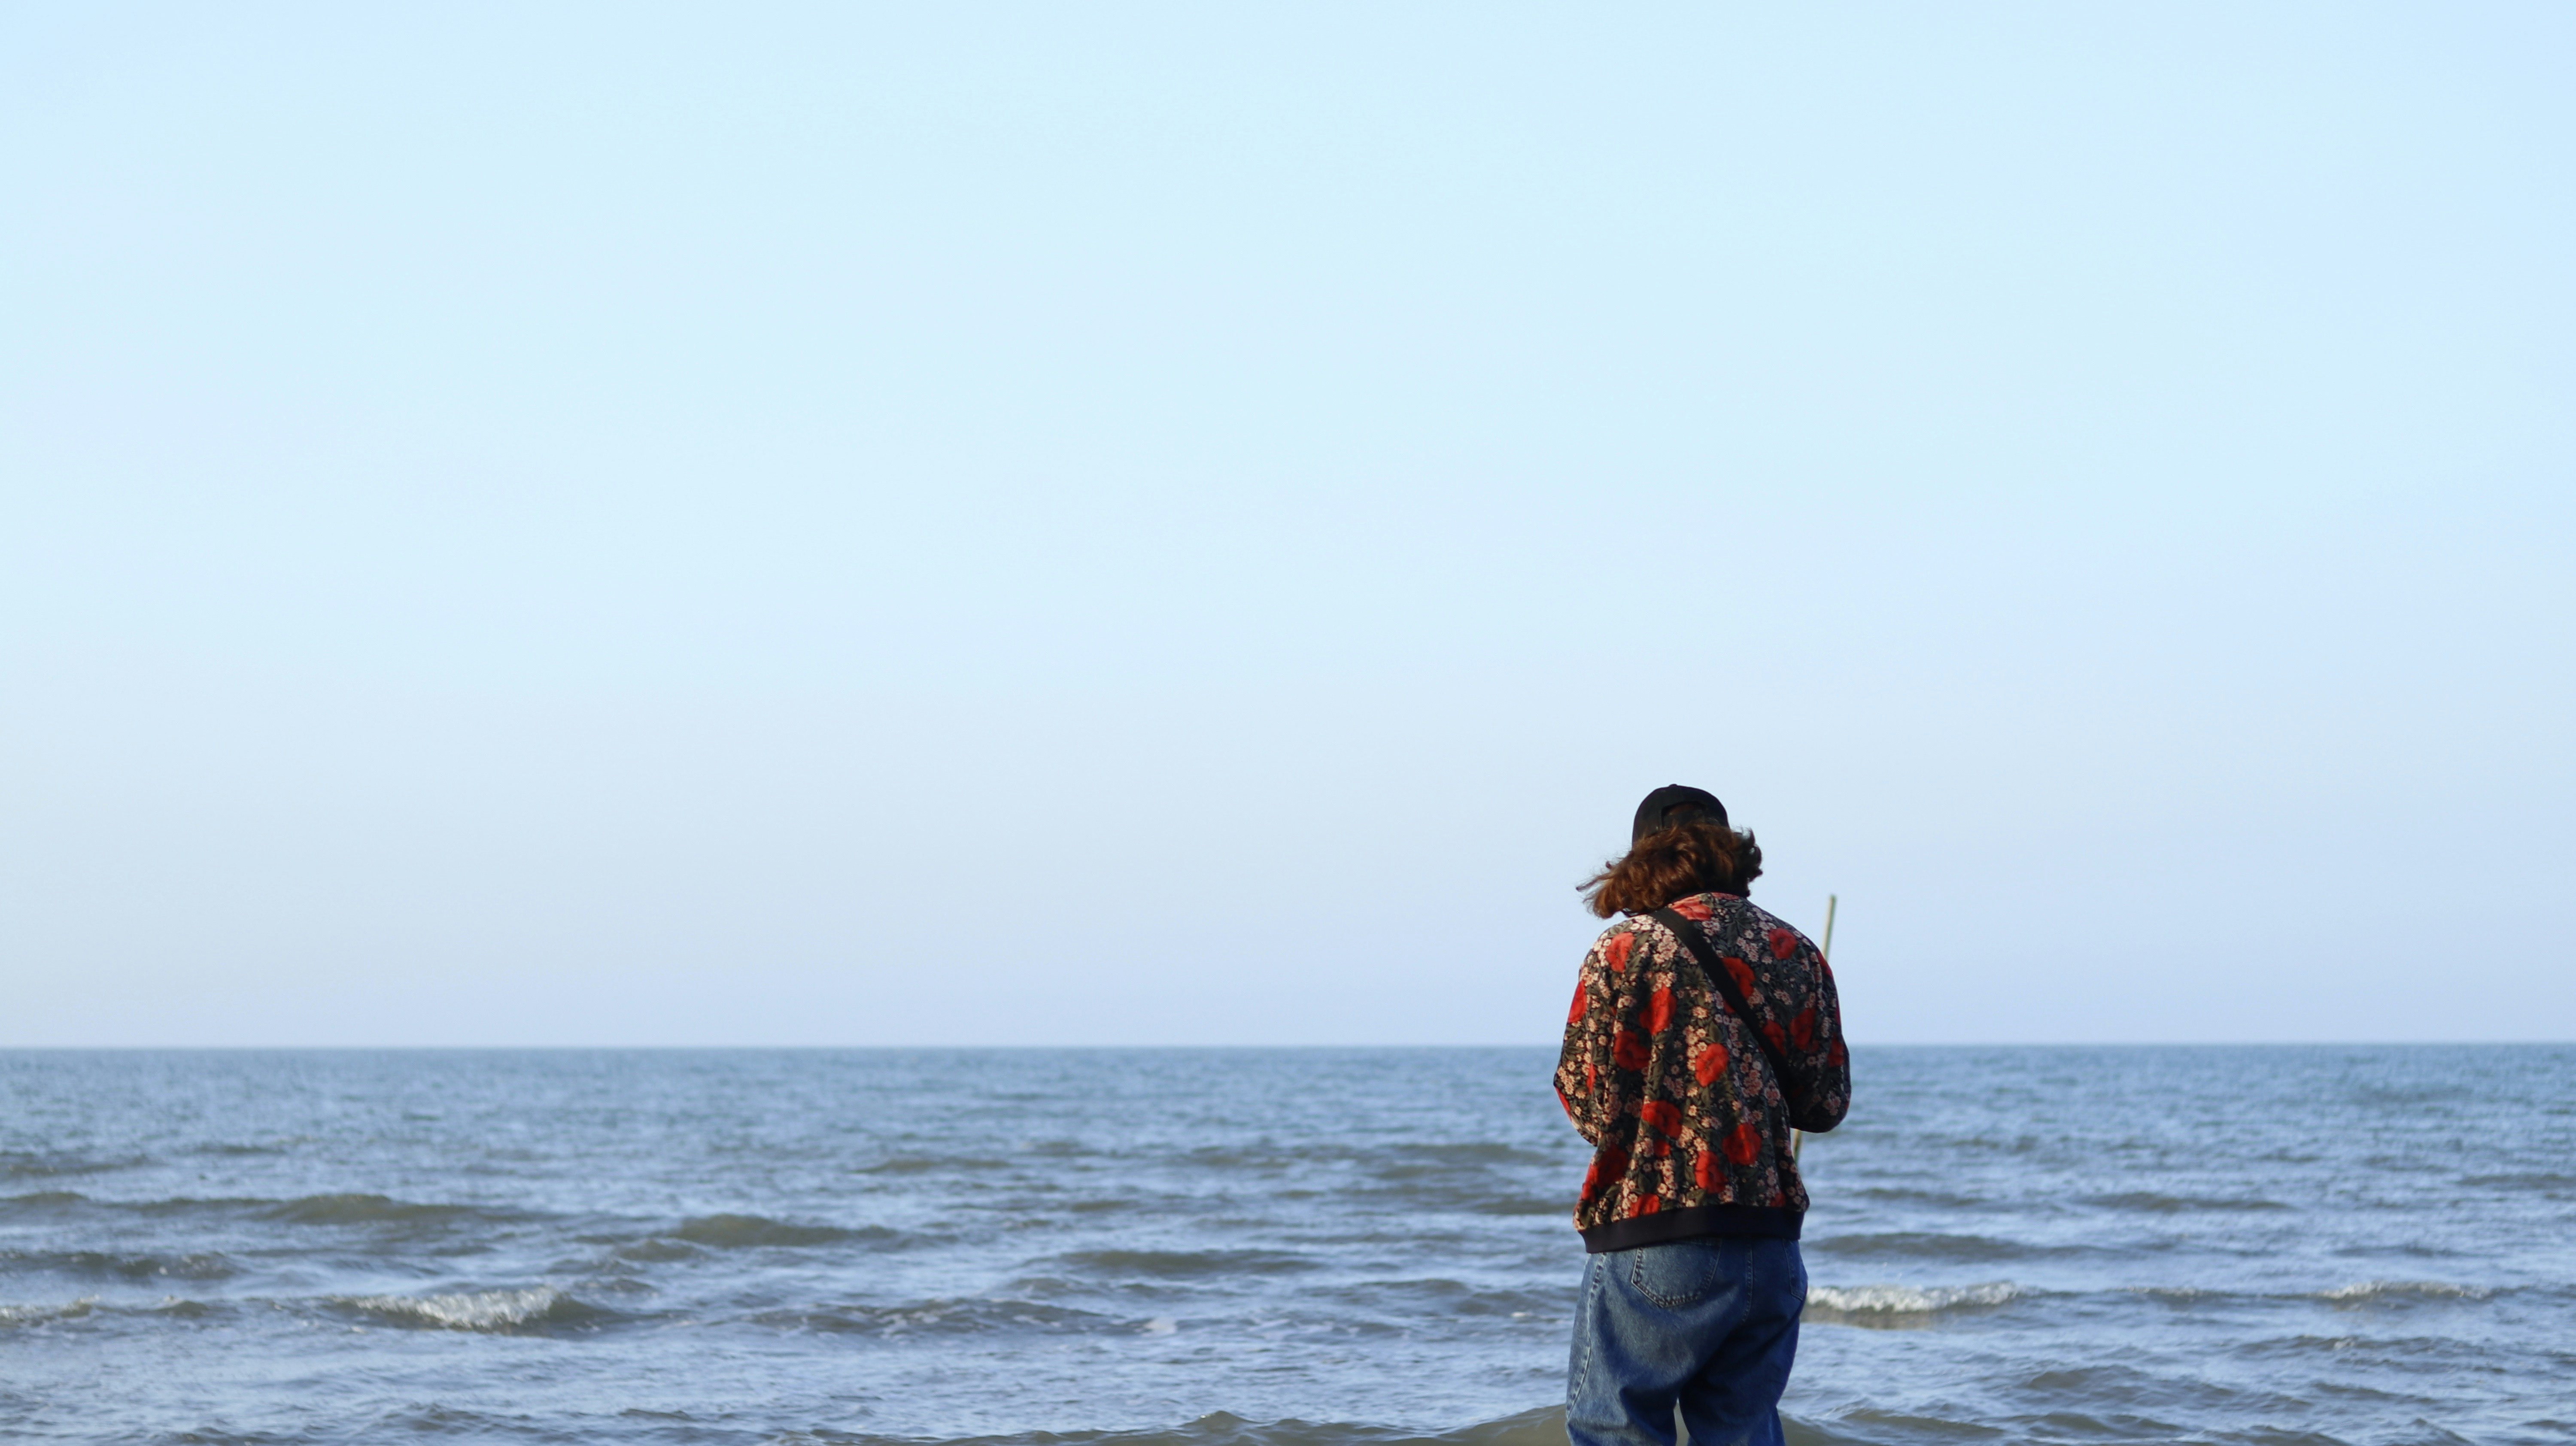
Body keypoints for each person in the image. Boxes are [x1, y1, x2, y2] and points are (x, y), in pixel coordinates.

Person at [1555, 785, 1850, 1446]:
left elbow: (1589, 1104)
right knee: (1742, 1431)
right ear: (1730, 852)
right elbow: (1826, 1105)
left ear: (1641, 859)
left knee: (1615, 1427)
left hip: (1656, 1232)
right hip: (1770, 1240)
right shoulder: (1795, 950)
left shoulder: (1624, 950)